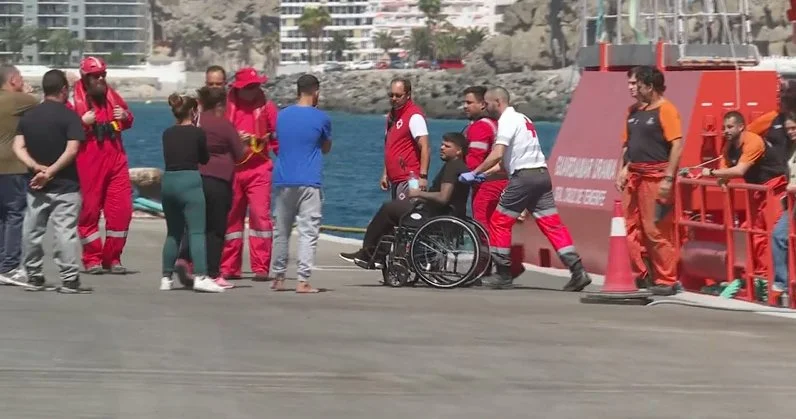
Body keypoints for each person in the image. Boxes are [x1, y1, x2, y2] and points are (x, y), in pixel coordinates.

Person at [460, 86, 592, 291]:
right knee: (552, 224)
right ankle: (578, 271)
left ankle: (503, 274)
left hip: (524, 179)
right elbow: (505, 163)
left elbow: (497, 154)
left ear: (498, 102)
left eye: (487, 103)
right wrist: (482, 175)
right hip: (541, 175)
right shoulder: (524, 120)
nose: (485, 107)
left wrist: (474, 170)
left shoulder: (506, 121)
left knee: (499, 222)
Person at [12, 69, 91, 293]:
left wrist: (36, 167)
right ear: (64, 90)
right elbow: (72, 149)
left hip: (35, 185)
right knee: (64, 232)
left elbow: (18, 147)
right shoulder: (70, 117)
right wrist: (52, 171)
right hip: (66, 186)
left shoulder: (29, 116)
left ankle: (34, 275)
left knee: (32, 231)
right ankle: (69, 279)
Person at [341, 132, 471, 267]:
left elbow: (443, 198)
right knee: (395, 213)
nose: (442, 147)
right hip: (446, 216)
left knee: (388, 209)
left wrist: (418, 194)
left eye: (447, 146)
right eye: (442, 144)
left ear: (458, 151)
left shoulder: (453, 167)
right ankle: (377, 256)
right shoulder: (461, 167)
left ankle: (368, 255)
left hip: (435, 218)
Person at [615, 65, 684, 296]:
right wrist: (622, 169)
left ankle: (667, 279)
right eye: (630, 83)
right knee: (630, 227)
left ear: (649, 86)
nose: (631, 88)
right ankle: (644, 273)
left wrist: (668, 178)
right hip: (635, 175)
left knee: (656, 229)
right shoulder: (632, 111)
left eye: (635, 84)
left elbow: (676, 144)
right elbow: (627, 145)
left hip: (656, 176)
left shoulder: (666, 110)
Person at [701, 111, 788, 294]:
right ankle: (760, 276)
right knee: (754, 233)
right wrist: (721, 178)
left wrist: (712, 174)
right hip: (756, 190)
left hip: (773, 187)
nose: (726, 131)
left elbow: (739, 170)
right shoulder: (729, 147)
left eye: (730, 127)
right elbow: (725, 172)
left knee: (771, 232)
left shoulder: (753, 141)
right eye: (724, 127)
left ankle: (774, 281)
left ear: (741, 126)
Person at [174, 87, 244, 289]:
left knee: (193, 223)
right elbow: (239, 154)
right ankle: (212, 273)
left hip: (193, 177)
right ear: (222, 104)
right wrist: (244, 141)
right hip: (218, 180)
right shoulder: (224, 125)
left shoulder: (194, 122)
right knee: (215, 228)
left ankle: (184, 258)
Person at [70, 56, 135, 275]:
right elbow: (63, 130)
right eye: (94, 76)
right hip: (88, 160)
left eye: (102, 75)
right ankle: (92, 258)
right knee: (88, 212)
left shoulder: (111, 95)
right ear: (84, 77)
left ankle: (112, 258)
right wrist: (82, 123)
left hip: (116, 159)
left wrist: (125, 116)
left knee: (122, 211)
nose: (99, 79)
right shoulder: (73, 100)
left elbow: (128, 119)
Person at [269, 74, 331, 293]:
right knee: (308, 231)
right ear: (315, 92)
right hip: (309, 181)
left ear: (298, 91)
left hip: (283, 178)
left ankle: (278, 277)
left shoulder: (281, 116)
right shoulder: (321, 118)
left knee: (281, 231)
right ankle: (302, 280)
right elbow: (325, 147)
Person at [159, 93, 225, 293]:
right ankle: (202, 276)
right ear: (193, 111)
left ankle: (166, 278)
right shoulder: (198, 133)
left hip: (169, 181)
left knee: (173, 233)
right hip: (190, 181)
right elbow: (203, 158)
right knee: (196, 231)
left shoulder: (167, 133)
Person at [220, 67, 279, 282]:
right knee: (231, 220)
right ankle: (229, 266)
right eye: (250, 87)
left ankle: (261, 267)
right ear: (239, 88)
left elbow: (276, 138)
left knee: (261, 218)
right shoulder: (225, 107)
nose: (255, 90)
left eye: (257, 86)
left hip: (259, 170)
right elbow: (215, 136)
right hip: (231, 170)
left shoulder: (267, 107)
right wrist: (236, 138)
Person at [0, 65, 38, 286]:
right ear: (13, 79)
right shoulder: (17, 100)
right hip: (12, 165)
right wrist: (28, 92)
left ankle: (2, 263)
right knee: (14, 215)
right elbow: (42, 103)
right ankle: (10, 266)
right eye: (21, 79)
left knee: (1, 217)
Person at [461, 85, 507, 229]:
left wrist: (462, 174)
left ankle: (485, 251)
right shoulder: (497, 124)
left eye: (469, 103)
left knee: (482, 223)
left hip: (486, 185)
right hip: (503, 181)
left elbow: (474, 159)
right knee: (496, 224)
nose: (464, 106)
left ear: (482, 105)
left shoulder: (480, 127)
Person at [381, 78, 431, 201]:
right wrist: (385, 174)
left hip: (410, 178)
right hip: (395, 179)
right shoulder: (392, 116)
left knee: (407, 214)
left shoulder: (414, 116)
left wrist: (423, 176)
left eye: (398, 95)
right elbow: (390, 147)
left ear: (408, 95)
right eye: (391, 95)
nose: (394, 98)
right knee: (397, 215)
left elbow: (425, 147)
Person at [771, 112, 796, 295]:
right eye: (788, 129)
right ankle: (783, 282)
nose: (790, 132)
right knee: (779, 235)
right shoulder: (790, 147)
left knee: (781, 235)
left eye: (794, 128)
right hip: (792, 201)